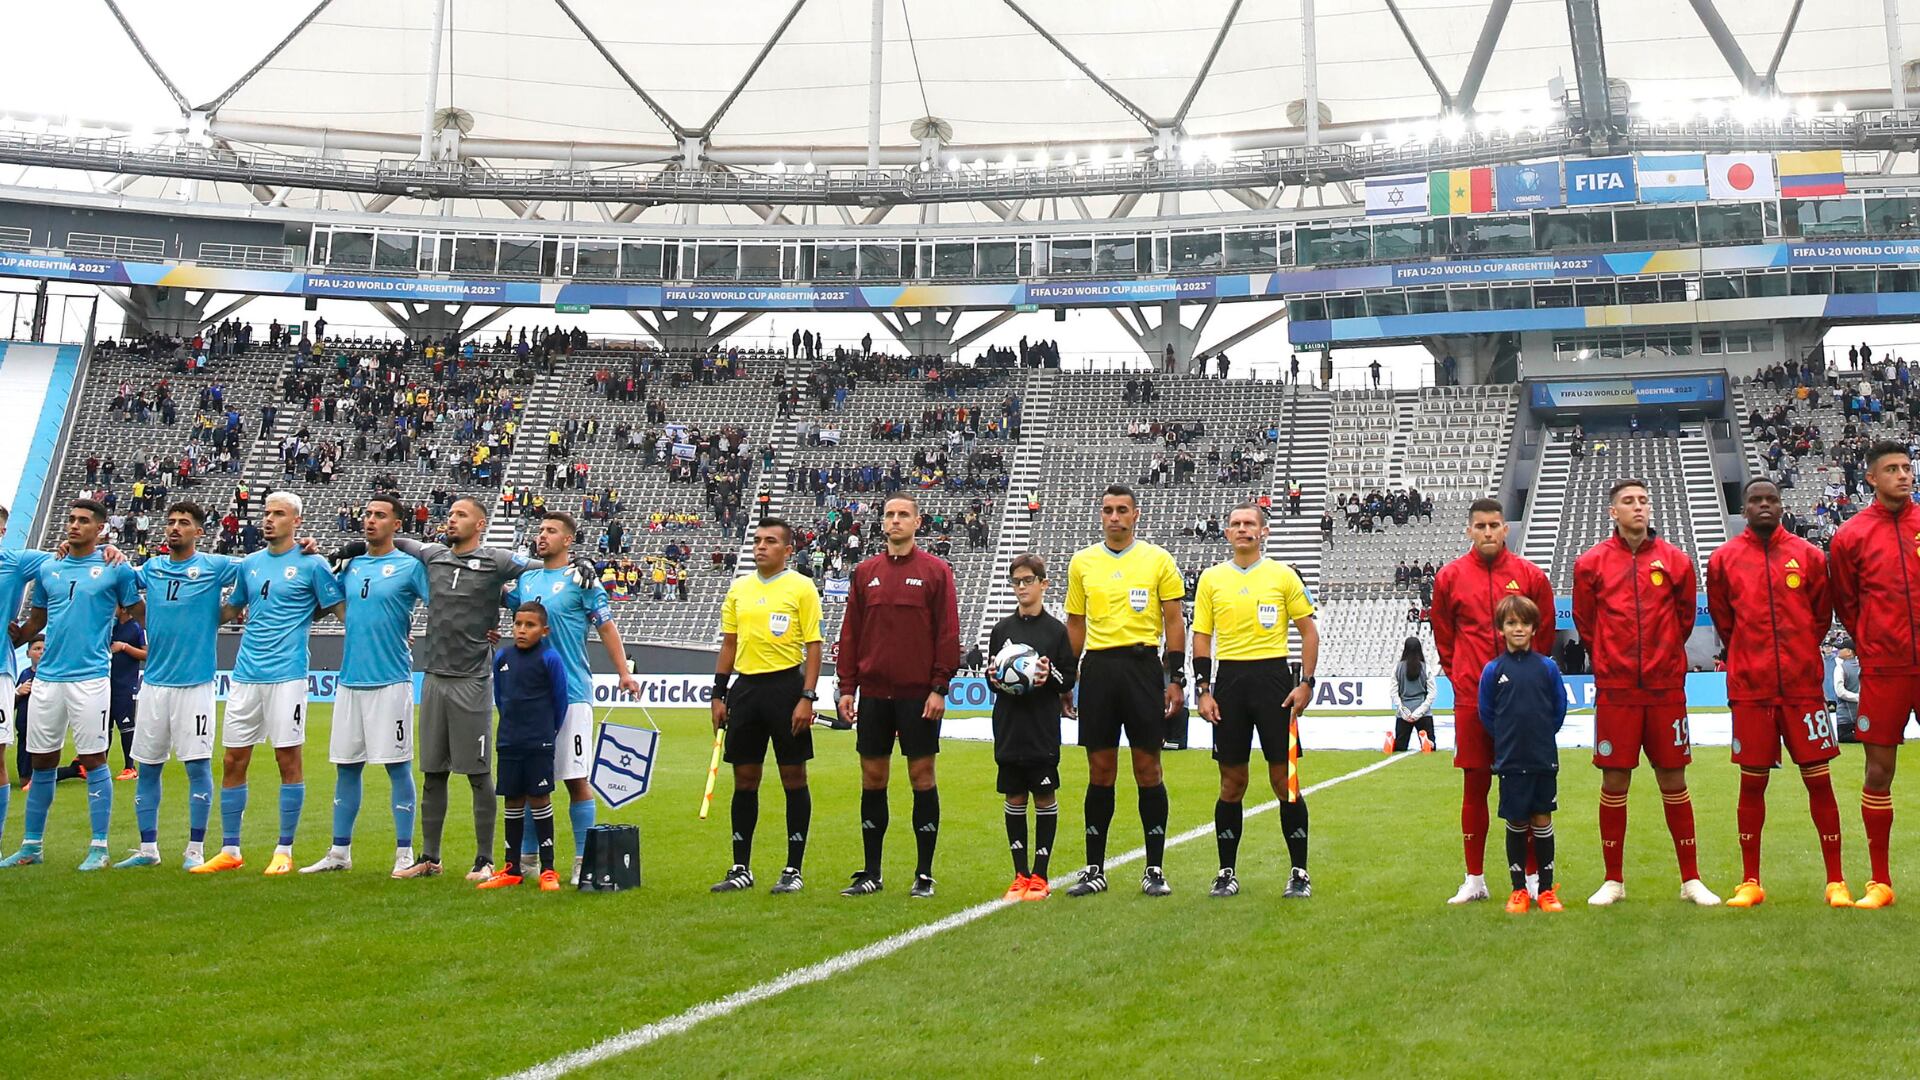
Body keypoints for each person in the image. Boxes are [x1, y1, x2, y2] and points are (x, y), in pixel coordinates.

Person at [1705, 479, 1851, 908]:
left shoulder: (1807, 556)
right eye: (1756, 500)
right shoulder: (1724, 560)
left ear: (1782, 506)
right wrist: (1751, 657)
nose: (1764, 505)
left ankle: (1836, 881)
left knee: (1819, 782)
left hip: (1804, 689)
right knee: (1751, 785)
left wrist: (1799, 652)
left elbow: (1820, 616)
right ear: (1744, 508)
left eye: (1771, 500)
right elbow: (1724, 622)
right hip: (1751, 690)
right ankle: (1750, 880)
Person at [1573, 480, 1718, 907]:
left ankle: (1691, 879)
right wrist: (1610, 659)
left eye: (1643, 501)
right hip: (1616, 690)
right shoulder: (1590, 563)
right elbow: (1585, 623)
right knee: (1615, 780)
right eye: (1628, 502)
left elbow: (1684, 619)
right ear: (1612, 512)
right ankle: (1613, 880)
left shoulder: (1675, 561)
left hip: (1665, 688)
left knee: (1674, 779)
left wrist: (1663, 657)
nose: (1638, 507)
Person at [385, 497, 538, 882]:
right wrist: (351, 548)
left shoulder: (496, 561)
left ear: (481, 524)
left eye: (461, 515)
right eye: (450, 514)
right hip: (434, 678)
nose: (451, 520)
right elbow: (398, 540)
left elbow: (542, 569)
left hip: (472, 681)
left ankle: (484, 859)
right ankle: (429, 858)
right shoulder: (433, 554)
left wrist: (581, 566)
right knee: (433, 771)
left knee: (477, 772)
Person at [194, 491, 344, 876]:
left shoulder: (313, 564)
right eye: (266, 513)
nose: (268, 519)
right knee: (232, 759)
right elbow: (232, 608)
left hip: (288, 675)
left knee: (287, 759)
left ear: (296, 521)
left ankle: (284, 849)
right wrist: (191, 615)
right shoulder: (250, 564)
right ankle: (230, 849)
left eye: (278, 514)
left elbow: (339, 607)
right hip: (245, 674)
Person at [0, 501, 141, 870]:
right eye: (71, 519)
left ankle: (99, 846)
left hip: (91, 677)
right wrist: (15, 636)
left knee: (93, 759)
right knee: (42, 761)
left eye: (83, 521)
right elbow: (36, 621)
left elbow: (139, 609)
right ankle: (32, 845)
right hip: (47, 678)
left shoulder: (114, 568)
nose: (74, 526)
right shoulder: (50, 567)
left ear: (100, 529)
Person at [504, 511, 644, 883]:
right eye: (540, 530)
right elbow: (499, 598)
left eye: (551, 531)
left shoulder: (583, 581)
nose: (542, 535)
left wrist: (624, 672)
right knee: (534, 779)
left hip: (572, 693)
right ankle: (529, 858)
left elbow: (606, 627)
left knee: (575, 778)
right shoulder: (528, 580)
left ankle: (585, 859)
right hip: (530, 697)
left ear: (568, 540)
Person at [1429, 497, 1555, 904]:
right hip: (1472, 698)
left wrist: (1525, 679)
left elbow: (1546, 632)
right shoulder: (1450, 576)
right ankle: (1475, 878)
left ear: (1506, 529)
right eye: (1480, 526)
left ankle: (1534, 878)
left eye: (1494, 525)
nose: (1487, 532)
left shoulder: (1530, 575)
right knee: (1475, 786)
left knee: (1529, 787)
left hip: (1521, 702)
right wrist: (1462, 675)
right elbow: (1443, 635)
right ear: (1469, 530)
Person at [1063, 484, 1187, 898]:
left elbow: (1174, 621)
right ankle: (1094, 868)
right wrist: (1068, 675)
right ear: (1101, 516)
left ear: (1136, 515)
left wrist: (1176, 676)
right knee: (1100, 770)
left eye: (1121, 510)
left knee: (1147, 768)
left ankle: (1154, 867)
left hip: (1142, 668)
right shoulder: (1082, 562)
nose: (1114, 517)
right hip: (1098, 669)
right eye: (1107, 510)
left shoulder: (1158, 559)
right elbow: (1076, 624)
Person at [835, 494, 961, 899]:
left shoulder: (936, 572)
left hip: (918, 696)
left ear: (917, 522)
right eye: (889, 515)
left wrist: (940, 687)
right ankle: (872, 871)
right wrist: (847, 687)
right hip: (873, 693)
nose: (895, 521)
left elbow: (948, 633)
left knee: (921, 777)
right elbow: (851, 633)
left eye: (902, 515)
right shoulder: (865, 572)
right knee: (873, 778)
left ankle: (924, 873)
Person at [1191, 502, 1319, 899]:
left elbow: (1308, 632)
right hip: (1229, 681)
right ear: (1226, 533)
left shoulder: (1283, 575)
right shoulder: (1212, 579)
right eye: (1235, 524)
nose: (1242, 529)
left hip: (1274, 682)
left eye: (1250, 524)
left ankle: (1299, 872)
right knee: (1232, 783)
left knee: (1285, 782)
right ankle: (1226, 871)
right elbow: (1201, 637)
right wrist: (1203, 689)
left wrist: (1307, 683)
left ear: (1263, 532)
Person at [301, 495, 429, 876]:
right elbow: (325, 602)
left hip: (391, 681)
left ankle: (404, 853)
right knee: (346, 767)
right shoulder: (351, 566)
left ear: (397, 525)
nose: (370, 521)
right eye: (367, 514)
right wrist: (316, 556)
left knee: (397, 766)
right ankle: (339, 852)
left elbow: (443, 604)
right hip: (350, 680)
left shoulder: (409, 567)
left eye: (380, 515)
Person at [119, 501, 240, 869]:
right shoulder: (152, 568)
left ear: (199, 532)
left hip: (196, 686)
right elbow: (125, 587)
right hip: (154, 684)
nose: (174, 528)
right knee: (149, 765)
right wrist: (110, 551)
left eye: (183, 523)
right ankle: (147, 850)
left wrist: (222, 614)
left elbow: (256, 571)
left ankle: (194, 851)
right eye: (170, 522)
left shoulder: (214, 566)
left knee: (197, 767)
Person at [1828, 440, 1920, 910]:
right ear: (1871, 478)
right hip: (1884, 668)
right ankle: (1880, 882)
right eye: (1892, 469)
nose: (1903, 476)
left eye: (1906, 468)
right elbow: (1846, 600)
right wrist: (1871, 641)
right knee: (1878, 771)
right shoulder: (1850, 535)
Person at [710, 519, 824, 895]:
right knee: (744, 779)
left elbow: (813, 646)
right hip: (746, 689)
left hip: (785, 687)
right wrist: (718, 693)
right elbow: (729, 643)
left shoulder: (802, 587)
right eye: (757, 540)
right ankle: (740, 865)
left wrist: (807, 697)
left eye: (770, 541)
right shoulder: (739, 588)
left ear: (787, 550)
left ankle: (794, 867)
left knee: (794, 778)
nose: (761, 547)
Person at [987, 553, 1077, 901]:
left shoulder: (1056, 631)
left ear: (1043, 584)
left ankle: (1040, 876)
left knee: (1043, 795)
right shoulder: (1002, 631)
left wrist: (1047, 674)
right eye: (1016, 582)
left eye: (1028, 580)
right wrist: (993, 678)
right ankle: (1019, 875)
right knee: (1013, 796)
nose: (1021, 587)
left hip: (1041, 728)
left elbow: (1066, 678)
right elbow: (995, 679)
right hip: (1009, 726)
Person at [1478, 595, 1567, 914]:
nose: (1518, 628)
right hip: (1511, 761)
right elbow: (1487, 714)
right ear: (1501, 629)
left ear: (1534, 628)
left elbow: (1559, 710)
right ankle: (1518, 891)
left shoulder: (1547, 668)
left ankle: (1546, 890)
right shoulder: (1493, 670)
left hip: (1543, 758)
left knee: (1542, 818)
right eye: (1511, 623)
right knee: (1516, 820)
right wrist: (1507, 740)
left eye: (1524, 623)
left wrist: (1540, 736)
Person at [477, 603, 570, 891]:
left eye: (529, 625)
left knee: (540, 799)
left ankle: (549, 869)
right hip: (509, 741)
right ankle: (511, 867)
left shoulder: (550, 659)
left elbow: (560, 702)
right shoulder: (503, 657)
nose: (521, 630)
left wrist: (545, 732)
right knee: (513, 800)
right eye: (518, 624)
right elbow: (501, 698)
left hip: (538, 741)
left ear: (544, 631)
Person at [107, 606, 146, 779]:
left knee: (126, 726)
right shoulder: (111, 626)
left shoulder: (137, 627)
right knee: (104, 726)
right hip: (106, 683)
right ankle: (99, 765)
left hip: (125, 684)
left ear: (123, 608)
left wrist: (124, 647)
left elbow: (147, 654)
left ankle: (130, 768)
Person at [1389, 636, 1437, 753]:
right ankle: (1427, 742)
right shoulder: (1426, 668)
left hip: (1404, 712)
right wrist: (1419, 712)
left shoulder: (1397, 668)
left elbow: (1393, 692)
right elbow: (1432, 692)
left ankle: (1392, 741)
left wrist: (1402, 710)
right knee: (1432, 746)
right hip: (1423, 712)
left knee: (1401, 747)